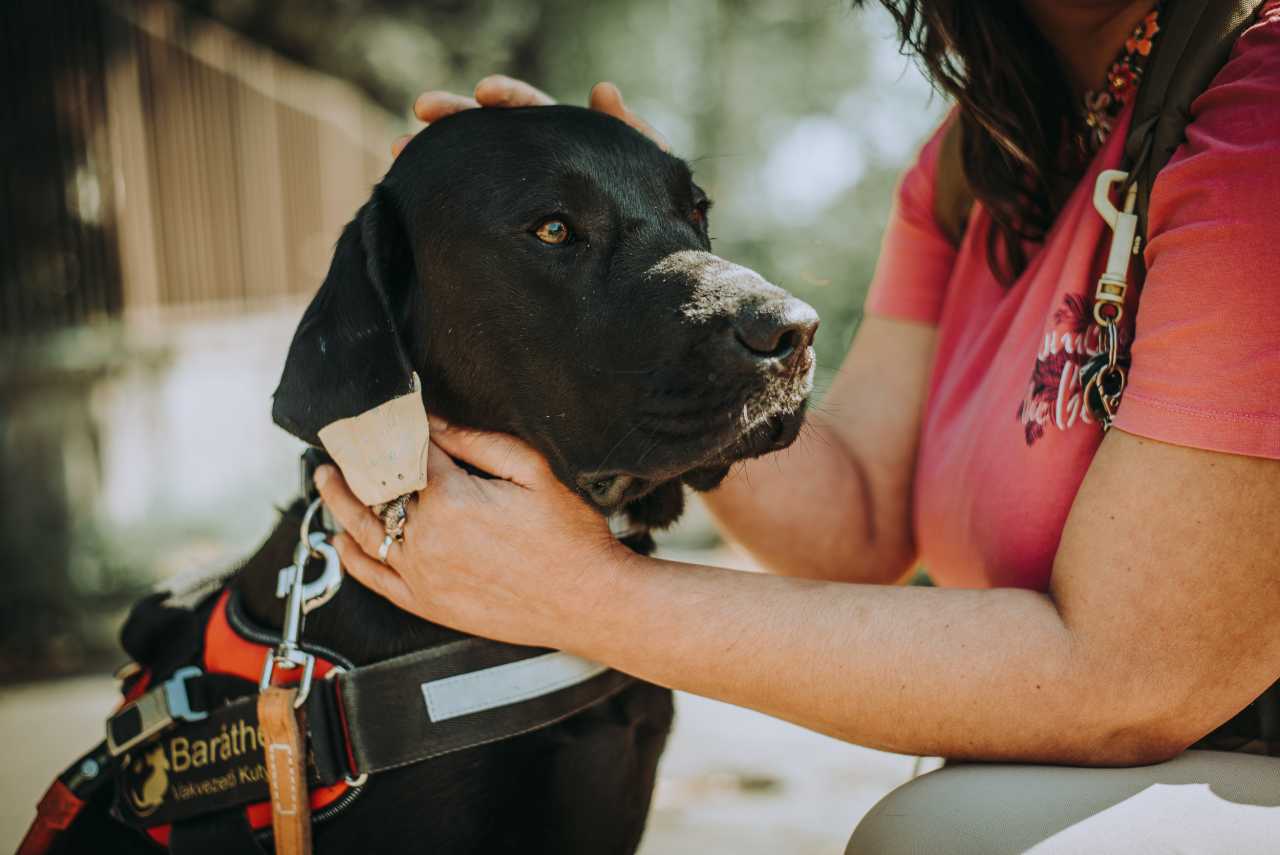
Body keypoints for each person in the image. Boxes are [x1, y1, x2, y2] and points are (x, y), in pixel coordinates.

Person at [313, 1, 1280, 850]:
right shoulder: (971, 160)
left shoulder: (1259, 117)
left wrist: (574, 592)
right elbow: (853, 517)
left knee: (943, 839)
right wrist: (645, 280)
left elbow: (1130, 676)